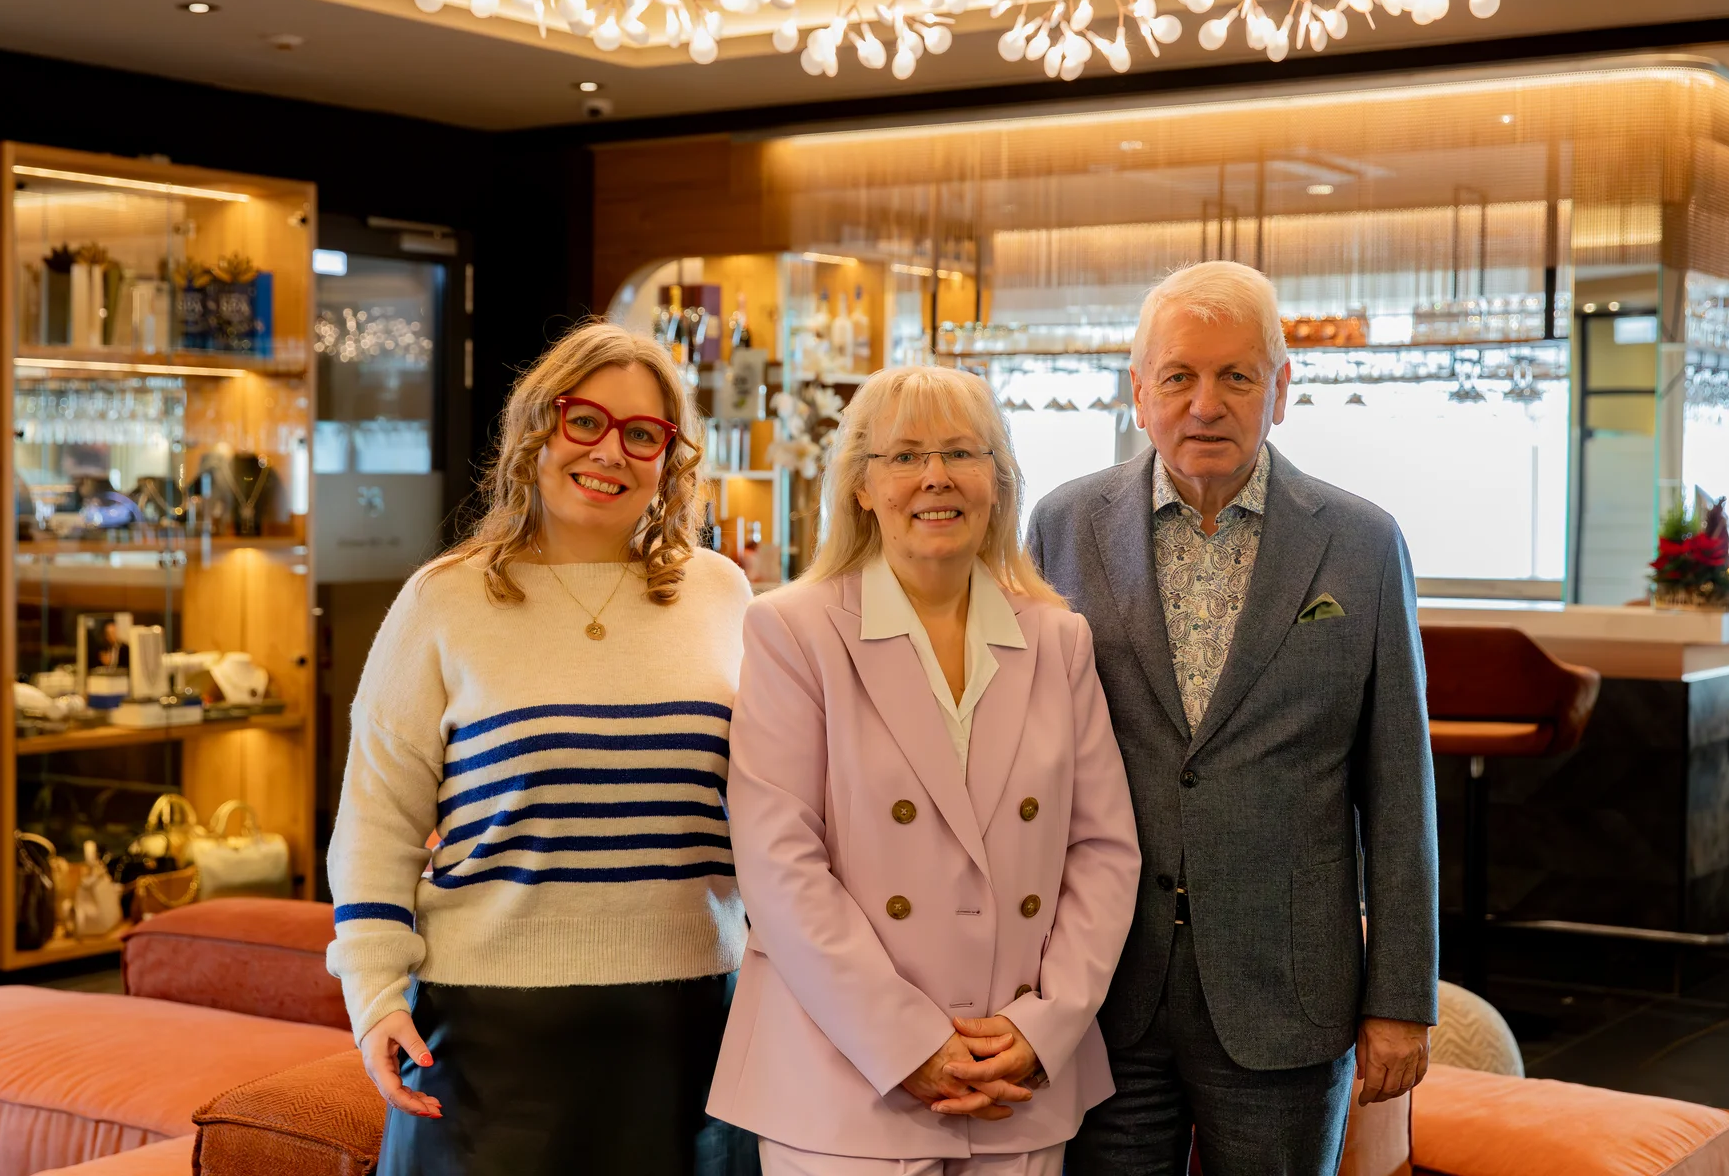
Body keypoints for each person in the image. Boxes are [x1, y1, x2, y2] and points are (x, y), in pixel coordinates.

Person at [1028, 261, 1438, 1176]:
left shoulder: (1363, 544)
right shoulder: (1061, 526)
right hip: (1100, 987)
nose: (1205, 404)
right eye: (1178, 376)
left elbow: (1400, 788)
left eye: (1237, 377)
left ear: (1281, 390)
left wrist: (1401, 997)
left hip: (1288, 993)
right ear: (1140, 392)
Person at [325, 322, 755, 1175]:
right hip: (489, 1038)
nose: (610, 452)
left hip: (691, 1031)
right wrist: (373, 995)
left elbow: (774, 811)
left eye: (643, 434)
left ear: (670, 458)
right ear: (536, 428)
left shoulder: (723, 595)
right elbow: (376, 822)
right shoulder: (444, 600)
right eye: (584, 421)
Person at [709, 365, 1142, 1176]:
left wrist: (1044, 1026)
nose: (935, 477)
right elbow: (778, 863)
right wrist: (906, 1041)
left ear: (998, 482)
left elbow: (1104, 853)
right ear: (862, 486)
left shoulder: (1059, 639)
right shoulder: (792, 632)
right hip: (842, 1083)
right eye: (905, 456)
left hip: (1017, 1082)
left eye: (961, 453)